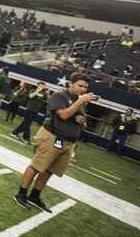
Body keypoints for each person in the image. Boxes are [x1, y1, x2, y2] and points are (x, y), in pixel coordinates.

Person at [14, 72, 97, 212]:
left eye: (85, 87)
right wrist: (80, 101)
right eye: (80, 85)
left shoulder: (79, 101)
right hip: (52, 136)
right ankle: (21, 194)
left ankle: (35, 196)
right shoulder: (60, 96)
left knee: (49, 170)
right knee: (37, 166)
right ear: (71, 84)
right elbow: (63, 115)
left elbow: (82, 123)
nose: (82, 89)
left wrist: (82, 122)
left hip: (69, 141)